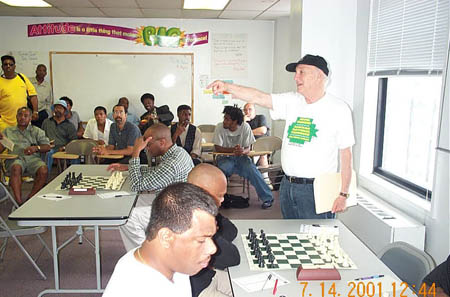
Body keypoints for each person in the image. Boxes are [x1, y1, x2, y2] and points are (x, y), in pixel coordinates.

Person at [208, 54, 355, 219]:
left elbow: (346, 155)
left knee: (314, 241)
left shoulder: (339, 109)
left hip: (317, 189)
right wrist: (227, 87)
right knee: (290, 237)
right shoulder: (292, 101)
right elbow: (258, 97)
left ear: (319, 76)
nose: (295, 77)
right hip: (287, 186)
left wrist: (344, 194)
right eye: (296, 72)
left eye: (301, 72)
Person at [103, 182, 218, 297]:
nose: (213, 249)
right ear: (166, 237)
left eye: (211, 237)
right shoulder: (138, 288)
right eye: (201, 240)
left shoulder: (170, 260)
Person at [108, 123, 194, 250]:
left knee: (127, 218)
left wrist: (135, 152)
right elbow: (157, 172)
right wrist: (129, 167)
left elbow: (136, 185)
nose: (146, 149)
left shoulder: (172, 164)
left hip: (176, 211)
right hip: (172, 199)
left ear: (162, 142)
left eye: (148, 145)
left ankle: (145, 255)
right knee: (129, 202)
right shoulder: (177, 152)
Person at [189, 164, 240, 297]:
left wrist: (214, 233)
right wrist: (213, 234)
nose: (223, 200)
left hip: (209, 276)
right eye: (219, 195)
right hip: (198, 290)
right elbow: (233, 257)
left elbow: (231, 229)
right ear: (203, 192)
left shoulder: (196, 205)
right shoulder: (191, 220)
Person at [213, 105, 273, 209]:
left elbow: (248, 148)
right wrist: (233, 150)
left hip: (241, 158)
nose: (224, 121)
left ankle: (268, 198)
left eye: (227, 119)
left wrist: (241, 151)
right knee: (221, 170)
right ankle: (217, 199)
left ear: (235, 121)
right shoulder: (219, 127)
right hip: (224, 157)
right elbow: (217, 148)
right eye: (224, 118)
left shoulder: (245, 127)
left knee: (252, 170)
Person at [0, 107, 50, 205]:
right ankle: (18, 202)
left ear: (30, 118)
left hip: (33, 159)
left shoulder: (37, 131)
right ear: (16, 117)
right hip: (15, 159)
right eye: (20, 115)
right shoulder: (8, 131)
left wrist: (36, 148)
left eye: (26, 116)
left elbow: (47, 146)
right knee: (16, 167)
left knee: (43, 170)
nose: (22, 118)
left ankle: (30, 199)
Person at [0, 55, 38, 132]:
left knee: (24, 143)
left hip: (24, 122)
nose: (8, 66)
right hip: (4, 123)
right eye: (5, 64)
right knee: (6, 144)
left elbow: (33, 96)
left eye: (11, 64)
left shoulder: (22, 78)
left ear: (15, 66)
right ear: (2, 67)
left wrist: (35, 112)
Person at [41, 99, 78, 171]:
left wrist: (64, 148)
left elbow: (74, 141)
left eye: (60, 108)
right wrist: (46, 144)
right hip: (49, 147)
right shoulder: (46, 122)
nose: (58, 110)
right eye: (56, 108)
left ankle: (74, 177)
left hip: (63, 148)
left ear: (65, 111)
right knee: (48, 153)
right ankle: (45, 178)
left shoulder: (69, 125)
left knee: (76, 154)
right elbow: (41, 136)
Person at [243, 103, 272, 189]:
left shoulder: (260, 117)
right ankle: (266, 180)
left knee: (262, 153)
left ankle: (259, 175)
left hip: (262, 145)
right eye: (245, 110)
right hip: (249, 147)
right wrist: (244, 122)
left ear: (255, 110)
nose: (247, 111)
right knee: (262, 155)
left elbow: (262, 130)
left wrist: (248, 132)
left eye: (250, 109)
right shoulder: (243, 121)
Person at [29, 64, 52, 128]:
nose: (41, 72)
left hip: (41, 113)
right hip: (29, 112)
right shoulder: (29, 82)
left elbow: (48, 103)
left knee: (39, 133)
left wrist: (48, 115)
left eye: (43, 71)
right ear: (36, 71)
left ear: (46, 73)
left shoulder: (47, 86)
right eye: (39, 70)